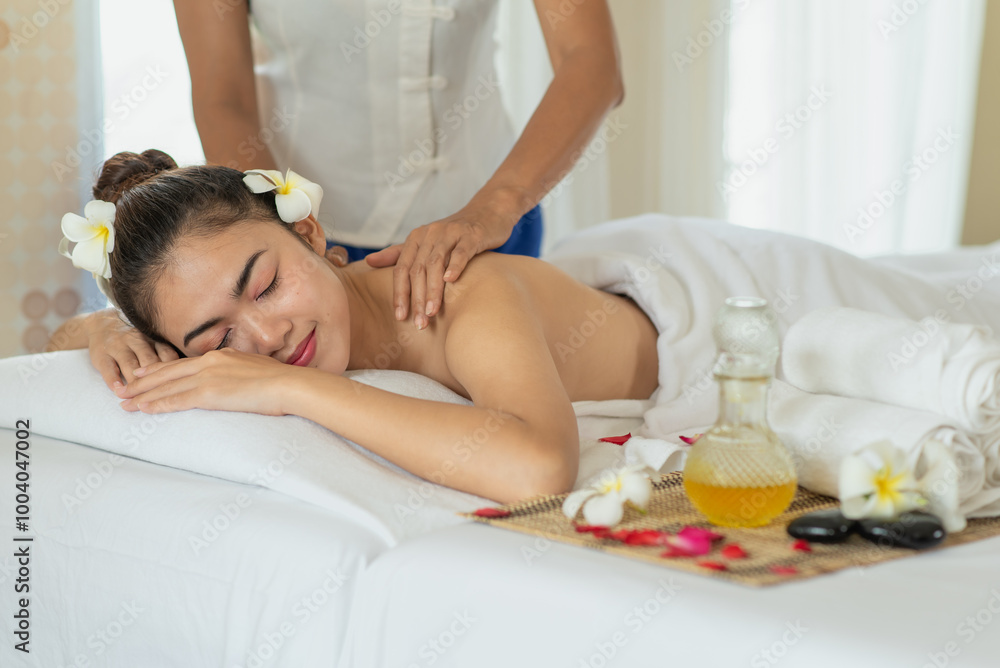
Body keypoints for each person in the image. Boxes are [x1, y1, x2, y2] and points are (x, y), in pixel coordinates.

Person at [61, 0, 624, 391]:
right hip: (299, 249)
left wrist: (495, 207)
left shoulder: (487, 262)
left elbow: (591, 62)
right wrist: (276, 233)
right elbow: (222, 96)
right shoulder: (272, 287)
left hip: (487, 224)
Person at [48, 150, 659, 504]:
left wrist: (290, 388)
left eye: (267, 285)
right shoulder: (213, 335)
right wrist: (104, 329)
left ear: (309, 233)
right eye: (219, 339)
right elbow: (53, 346)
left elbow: (539, 470)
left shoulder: (460, 296)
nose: (267, 338)